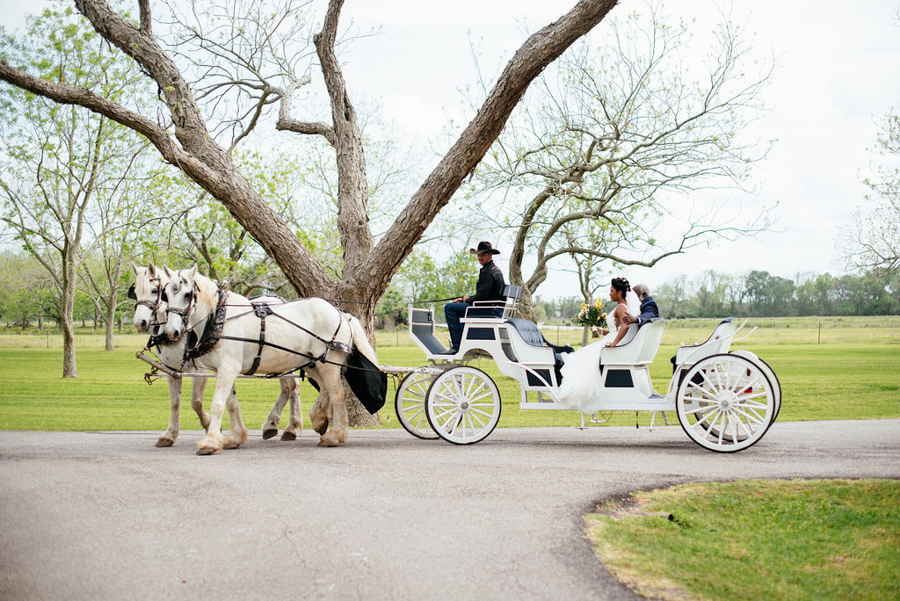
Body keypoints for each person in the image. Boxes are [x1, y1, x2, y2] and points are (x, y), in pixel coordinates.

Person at [556, 277, 636, 413]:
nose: (609, 294)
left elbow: (625, 325)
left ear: (619, 293)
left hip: (611, 342)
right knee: (582, 355)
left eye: (611, 291)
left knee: (581, 356)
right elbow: (615, 331)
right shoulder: (622, 306)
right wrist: (600, 331)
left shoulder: (621, 307)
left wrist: (614, 343)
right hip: (610, 338)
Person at [441, 241, 506, 354]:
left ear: (490, 255)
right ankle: (463, 342)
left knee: (450, 308)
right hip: (492, 308)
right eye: (479, 255)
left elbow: (480, 298)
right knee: (457, 308)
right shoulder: (494, 270)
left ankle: (457, 346)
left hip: (487, 310)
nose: (480, 257)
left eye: (483, 255)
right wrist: (464, 299)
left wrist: (467, 299)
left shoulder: (488, 272)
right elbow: (484, 295)